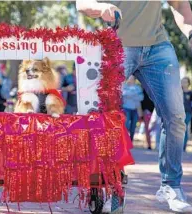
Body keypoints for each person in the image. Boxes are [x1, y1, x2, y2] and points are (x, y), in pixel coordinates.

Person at [76, 0, 192, 212]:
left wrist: (190, 31)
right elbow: (82, 4)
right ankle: (103, 184)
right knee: (103, 118)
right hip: (117, 46)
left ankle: (171, 186)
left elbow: (180, 4)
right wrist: (101, 8)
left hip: (158, 49)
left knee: (175, 117)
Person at [122, 76, 144, 141]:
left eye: (132, 78)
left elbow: (141, 97)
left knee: (133, 126)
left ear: (134, 79)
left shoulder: (138, 88)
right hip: (126, 109)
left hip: (135, 109)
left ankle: (130, 140)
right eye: (129, 78)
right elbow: (123, 94)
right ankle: (125, 139)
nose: (130, 79)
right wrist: (134, 95)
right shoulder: (125, 86)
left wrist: (129, 95)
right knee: (126, 125)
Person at [181, 77, 192, 152]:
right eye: (182, 82)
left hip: (188, 113)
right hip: (178, 113)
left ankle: (183, 146)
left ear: (188, 83)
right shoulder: (178, 91)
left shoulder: (190, 93)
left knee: (184, 129)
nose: (184, 83)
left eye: (185, 82)